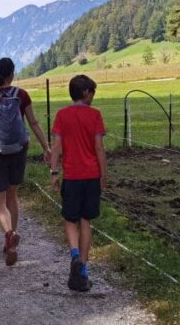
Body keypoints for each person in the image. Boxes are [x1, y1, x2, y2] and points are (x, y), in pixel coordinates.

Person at [0, 57, 50, 266]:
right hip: (19, 150)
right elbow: (33, 122)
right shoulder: (22, 95)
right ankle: (11, 237)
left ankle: (8, 235)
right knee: (12, 196)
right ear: (11, 74)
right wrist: (46, 147)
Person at [49, 74, 106, 292]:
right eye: (92, 92)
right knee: (85, 221)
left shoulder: (62, 115)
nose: (93, 96)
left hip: (71, 176)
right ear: (85, 93)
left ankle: (74, 255)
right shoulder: (95, 115)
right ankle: (82, 269)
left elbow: (56, 147)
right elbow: (99, 148)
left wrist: (54, 172)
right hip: (91, 175)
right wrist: (104, 174)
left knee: (69, 219)